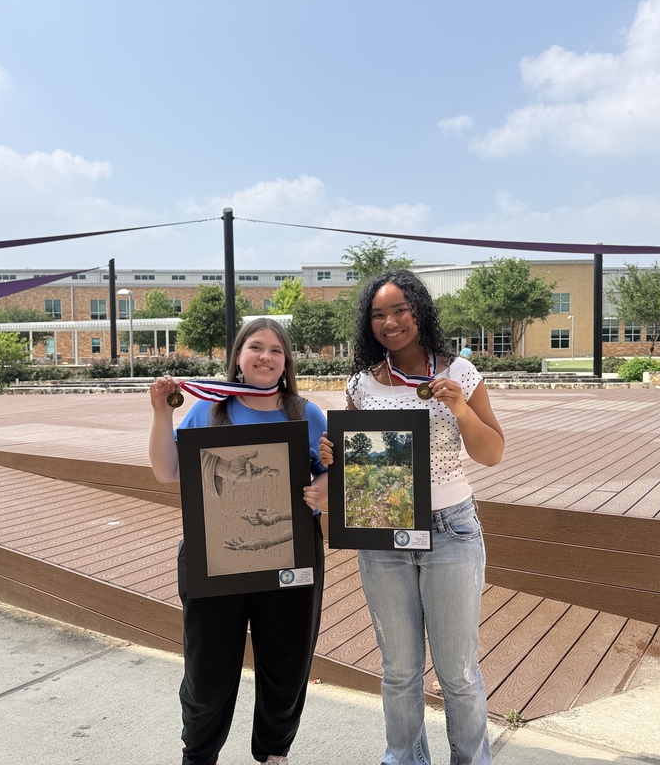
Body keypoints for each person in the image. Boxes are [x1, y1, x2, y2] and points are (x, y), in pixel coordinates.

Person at [321, 269, 505, 765]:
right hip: (383, 533)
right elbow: (361, 466)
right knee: (399, 669)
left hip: (450, 529)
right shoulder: (362, 383)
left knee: (457, 671)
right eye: (378, 314)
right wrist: (337, 456)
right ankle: (403, 758)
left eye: (400, 309)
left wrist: (461, 409)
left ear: (420, 310)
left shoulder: (459, 372)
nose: (390, 322)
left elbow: (491, 454)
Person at [148, 317, 328, 765]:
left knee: (286, 666)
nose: (266, 357)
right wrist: (160, 414)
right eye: (256, 347)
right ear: (238, 356)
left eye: (276, 350)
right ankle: (199, 755)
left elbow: (332, 472)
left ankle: (273, 753)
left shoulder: (305, 413)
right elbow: (166, 471)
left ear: (286, 361)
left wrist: (327, 484)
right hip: (215, 554)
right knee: (208, 671)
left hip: (289, 553)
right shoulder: (208, 410)